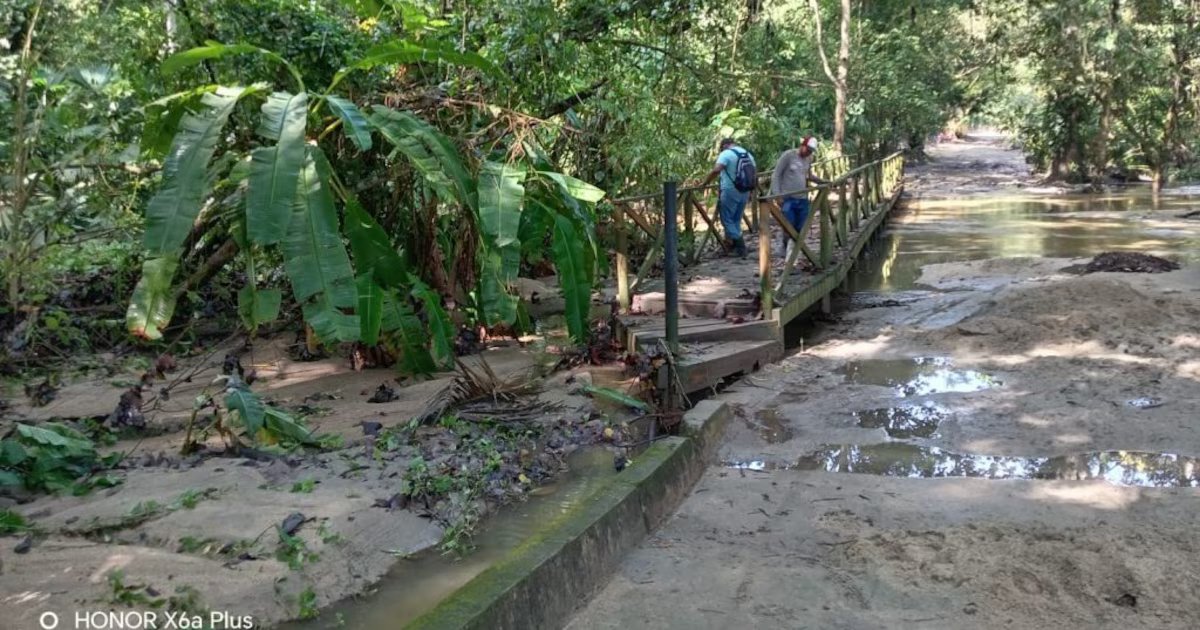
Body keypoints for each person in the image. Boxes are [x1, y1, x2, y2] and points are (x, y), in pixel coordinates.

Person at [770, 136, 827, 259]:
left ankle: (793, 252)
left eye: (811, 151)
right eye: (808, 149)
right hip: (787, 198)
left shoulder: (809, 158)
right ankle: (785, 247)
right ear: (802, 145)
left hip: (802, 198)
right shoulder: (788, 156)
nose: (808, 152)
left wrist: (823, 182)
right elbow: (776, 175)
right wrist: (777, 195)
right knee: (788, 224)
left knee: (801, 226)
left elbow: (809, 176)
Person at [701, 138, 756, 258]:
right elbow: (753, 172)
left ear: (724, 146)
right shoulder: (747, 154)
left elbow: (717, 169)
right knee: (736, 219)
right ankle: (736, 246)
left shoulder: (726, 154)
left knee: (726, 219)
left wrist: (705, 182)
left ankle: (740, 246)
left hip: (730, 190)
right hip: (745, 190)